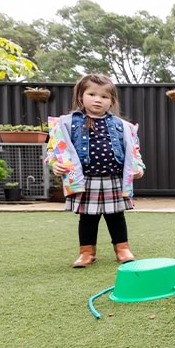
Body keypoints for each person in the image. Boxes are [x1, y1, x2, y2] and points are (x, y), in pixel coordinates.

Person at [45, 74, 145, 268]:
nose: (98, 99)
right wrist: (54, 163)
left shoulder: (122, 126)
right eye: (92, 94)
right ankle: (86, 252)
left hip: (114, 179)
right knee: (88, 218)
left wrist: (138, 167)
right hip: (85, 180)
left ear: (111, 101)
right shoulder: (67, 123)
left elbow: (133, 149)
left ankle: (122, 248)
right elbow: (55, 147)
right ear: (81, 96)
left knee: (116, 215)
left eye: (104, 97)